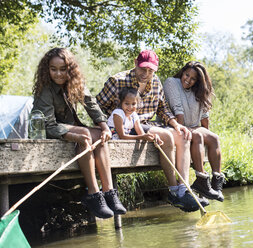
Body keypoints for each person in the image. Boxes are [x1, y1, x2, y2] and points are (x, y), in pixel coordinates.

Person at [96, 50, 206, 212]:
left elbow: (163, 109)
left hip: (145, 124)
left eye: (150, 70)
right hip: (125, 127)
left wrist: (177, 125)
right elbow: (97, 106)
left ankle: (184, 189)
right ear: (135, 63)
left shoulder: (155, 82)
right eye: (143, 69)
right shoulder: (117, 81)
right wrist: (109, 124)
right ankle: (173, 190)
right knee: (167, 136)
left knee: (182, 135)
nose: (146, 74)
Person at [32, 47, 126, 219]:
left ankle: (109, 191)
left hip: (71, 126)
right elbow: (49, 125)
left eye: (63, 69)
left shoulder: (76, 83)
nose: (58, 74)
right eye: (54, 69)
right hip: (51, 129)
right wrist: (75, 137)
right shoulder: (45, 89)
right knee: (84, 133)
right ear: (47, 69)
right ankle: (93, 194)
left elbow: (91, 105)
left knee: (98, 135)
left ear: (71, 69)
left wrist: (105, 127)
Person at [163, 61, 225, 202]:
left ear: (197, 81)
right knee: (196, 135)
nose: (188, 80)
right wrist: (184, 131)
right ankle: (201, 180)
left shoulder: (200, 90)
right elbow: (178, 111)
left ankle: (216, 185)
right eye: (186, 75)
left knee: (214, 138)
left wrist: (207, 137)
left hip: (194, 127)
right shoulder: (172, 83)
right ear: (182, 72)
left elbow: (204, 116)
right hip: (175, 126)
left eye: (193, 79)